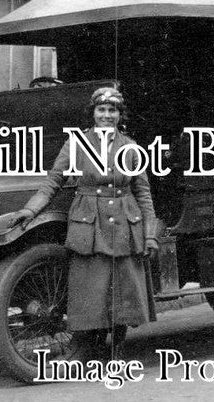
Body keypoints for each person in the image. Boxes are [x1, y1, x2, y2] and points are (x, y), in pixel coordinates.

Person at [11, 86, 158, 359]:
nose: (106, 115)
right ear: (93, 113)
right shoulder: (76, 145)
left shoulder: (131, 148)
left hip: (125, 226)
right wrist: (30, 211)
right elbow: (53, 181)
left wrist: (150, 235)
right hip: (89, 227)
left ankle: (117, 353)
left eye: (112, 110)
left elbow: (143, 193)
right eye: (101, 110)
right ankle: (91, 349)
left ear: (119, 114)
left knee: (122, 293)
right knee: (93, 291)